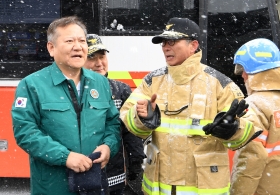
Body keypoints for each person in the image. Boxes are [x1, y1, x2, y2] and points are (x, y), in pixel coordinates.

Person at [119, 17, 262, 195]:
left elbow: (250, 131)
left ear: (193, 45)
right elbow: (128, 118)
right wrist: (143, 118)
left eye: (172, 41)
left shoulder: (220, 84)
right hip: (158, 189)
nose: (165, 47)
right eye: (163, 42)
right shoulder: (152, 81)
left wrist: (232, 130)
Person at [11, 16, 121, 195]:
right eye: (69, 41)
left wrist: (109, 146)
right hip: (53, 186)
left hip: (94, 184)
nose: (78, 46)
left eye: (82, 41)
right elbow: (26, 132)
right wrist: (65, 157)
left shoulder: (100, 83)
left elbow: (112, 123)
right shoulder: (32, 85)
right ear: (51, 48)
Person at [84, 34, 145, 195]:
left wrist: (135, 167)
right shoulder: (72, 91)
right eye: (91, 57)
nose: (99, 63)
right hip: (83, 176)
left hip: (115, 179)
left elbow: (130, 134)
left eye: (102, 56)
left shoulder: (121, 90)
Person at [230, 38, 280, 195]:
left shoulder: (254, 105)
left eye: (244, 70)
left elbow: (251, 159)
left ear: (255, 71)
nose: (243, 76)